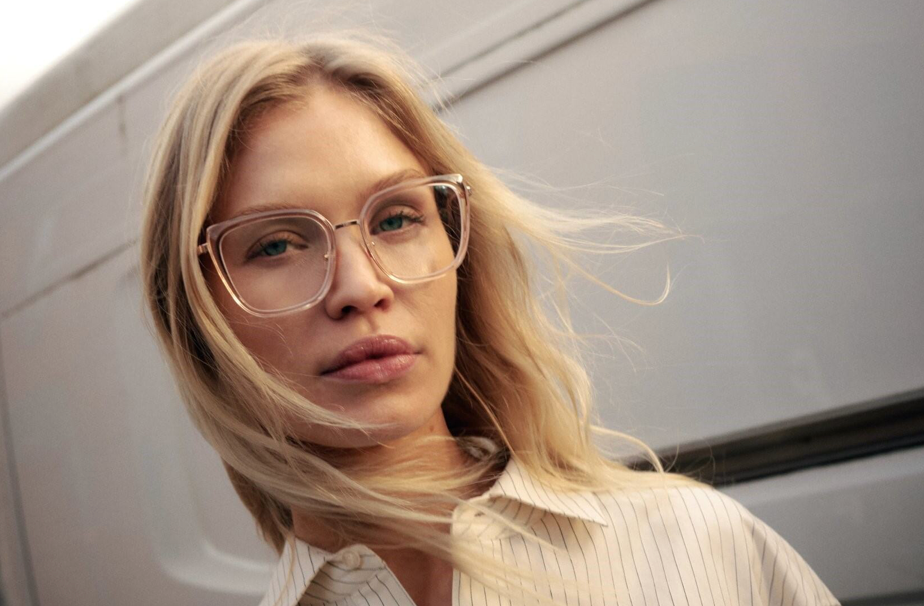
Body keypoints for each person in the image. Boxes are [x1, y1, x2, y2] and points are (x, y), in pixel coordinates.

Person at [140, 34, 839, 606]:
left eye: (395, 218)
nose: (361, 286)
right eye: (277, 245)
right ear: (198, 319)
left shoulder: (699, 549)